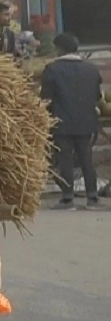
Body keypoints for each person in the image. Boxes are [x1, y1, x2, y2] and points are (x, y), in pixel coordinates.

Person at [40, 32, 103, 211]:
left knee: (65, 159)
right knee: (86, 159)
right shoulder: (91, 69)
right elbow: (97, 96)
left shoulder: (52, 69)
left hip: (62, 122)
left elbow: (46, 98)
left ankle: (68, 199)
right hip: (87, 122)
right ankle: (93, 197)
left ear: (59, 49)